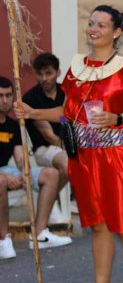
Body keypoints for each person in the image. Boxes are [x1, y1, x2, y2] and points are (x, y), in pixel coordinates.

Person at [15, 5, 123, 283]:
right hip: (85, 156)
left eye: (101, 25)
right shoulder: (77, 67)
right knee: (98, 225)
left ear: (117, 32)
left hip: (120, 156)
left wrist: (118, 117)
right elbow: (68, 112)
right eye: (91, 23)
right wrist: (33, 112)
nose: (93, 29)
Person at [0, 77, 72, 260]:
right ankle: (4, 240)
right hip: (1, 174)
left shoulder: (13, 126)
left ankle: (40, 234)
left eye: (8, 95)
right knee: (1, 180)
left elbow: (19, 158)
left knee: (51, 174)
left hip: (7, 171)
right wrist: (5, 176)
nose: (5, 100)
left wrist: (24, 172)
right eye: (0, 96)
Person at [22, 53, 69, 187]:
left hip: (67, 145)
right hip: (44, 149)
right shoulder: (30, 98)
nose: (44, 78)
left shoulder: (66, 92)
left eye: (48, 73)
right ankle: (51, 197)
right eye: (40, 74)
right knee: (68, 162)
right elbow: (48, 135)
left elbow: (68, 119)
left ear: (58, 72)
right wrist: (71, 149)